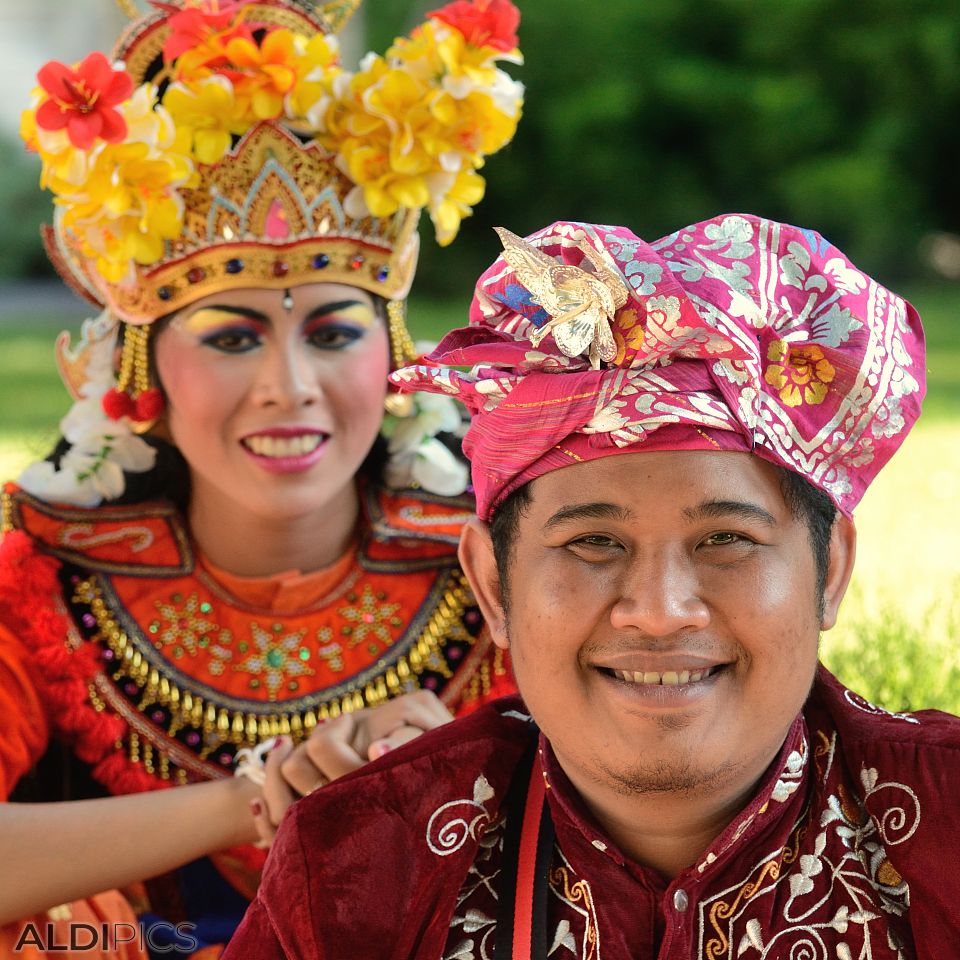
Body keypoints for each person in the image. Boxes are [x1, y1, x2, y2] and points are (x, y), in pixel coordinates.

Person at [224, 215, 960, 958]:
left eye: (726, 540)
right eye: (592, 543)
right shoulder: (357, 866)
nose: (660, 610)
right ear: (491, 583)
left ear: (829, 570)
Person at [0, 0, 524, 954]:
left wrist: (451, 765)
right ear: (144, 366)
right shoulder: (45, 581)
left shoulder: (494, 573)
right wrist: (256, 797)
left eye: (332, 333)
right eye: (234, 337)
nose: (290, 387)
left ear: (395, 353)